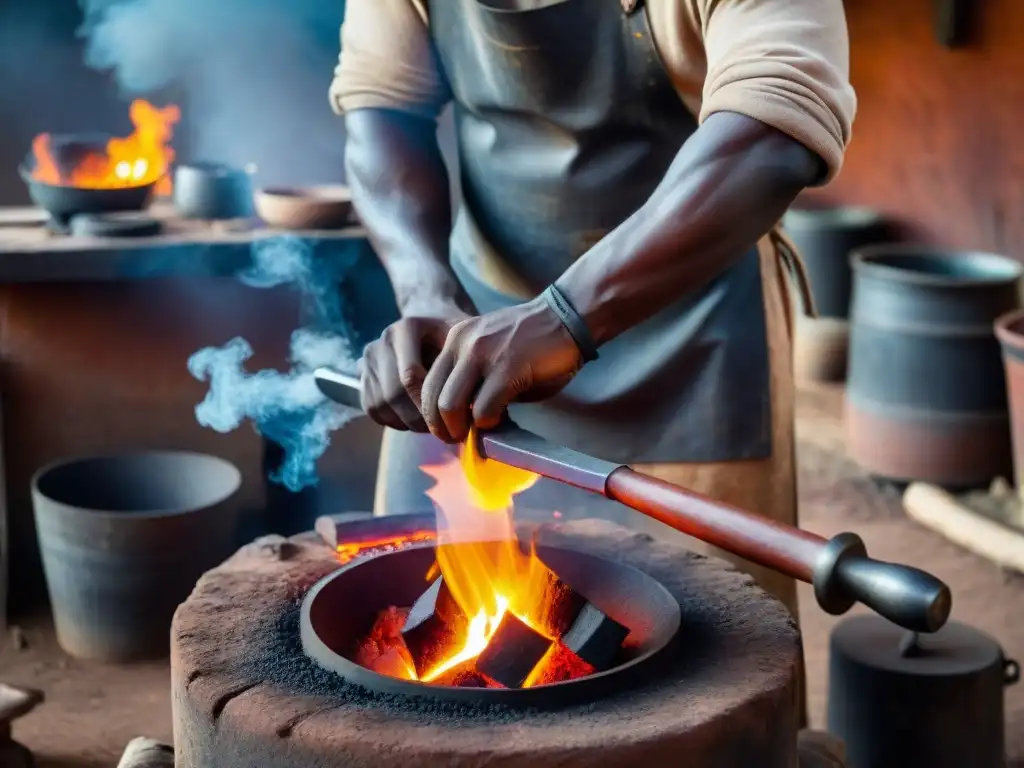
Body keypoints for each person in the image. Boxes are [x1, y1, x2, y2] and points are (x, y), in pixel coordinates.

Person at [330, 0, 854, 645]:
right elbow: (382, 112)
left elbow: (773, 131)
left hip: (692, 342)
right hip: (475, 327)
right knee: (426, 614)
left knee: (714, 640)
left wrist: (564, 317)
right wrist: (426, 297)